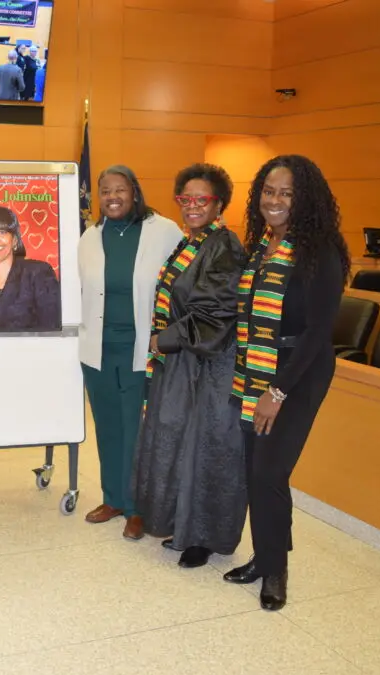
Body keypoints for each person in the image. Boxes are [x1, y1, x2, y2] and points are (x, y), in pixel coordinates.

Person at [225, 155, 349, 611]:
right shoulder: (262, 245)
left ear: (305, 200)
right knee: (254, 471)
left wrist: (277, 392)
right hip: (254, 368)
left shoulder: (320, 252)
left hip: (297, 373)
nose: (274, 201)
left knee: (270, 472)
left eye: (286, 194)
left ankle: (276, 571)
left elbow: (319, 332)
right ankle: (264, 556)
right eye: (269, 191)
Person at [132, 164, 247, 569]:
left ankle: (206, 539)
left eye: (203, 200)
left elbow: (216, 314)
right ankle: (185, 528)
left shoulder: (225, 247)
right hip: (185, 361)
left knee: (209, 449)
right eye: (186, 199)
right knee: (182, 445)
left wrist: (161, 340)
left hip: (211, 367)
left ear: (219, 204)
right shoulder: (193, 243)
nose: (193, 206)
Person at [77, 165, 183, 539]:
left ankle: (139, 507)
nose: (112, 197)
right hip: (98, 350)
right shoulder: (90, 236)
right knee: (107, 427)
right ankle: (114, 498)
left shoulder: (164, 231)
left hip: (144, 350)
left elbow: (183, 286)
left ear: (134, 192)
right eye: (105, 191)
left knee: (137, 429)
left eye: (119, 190)